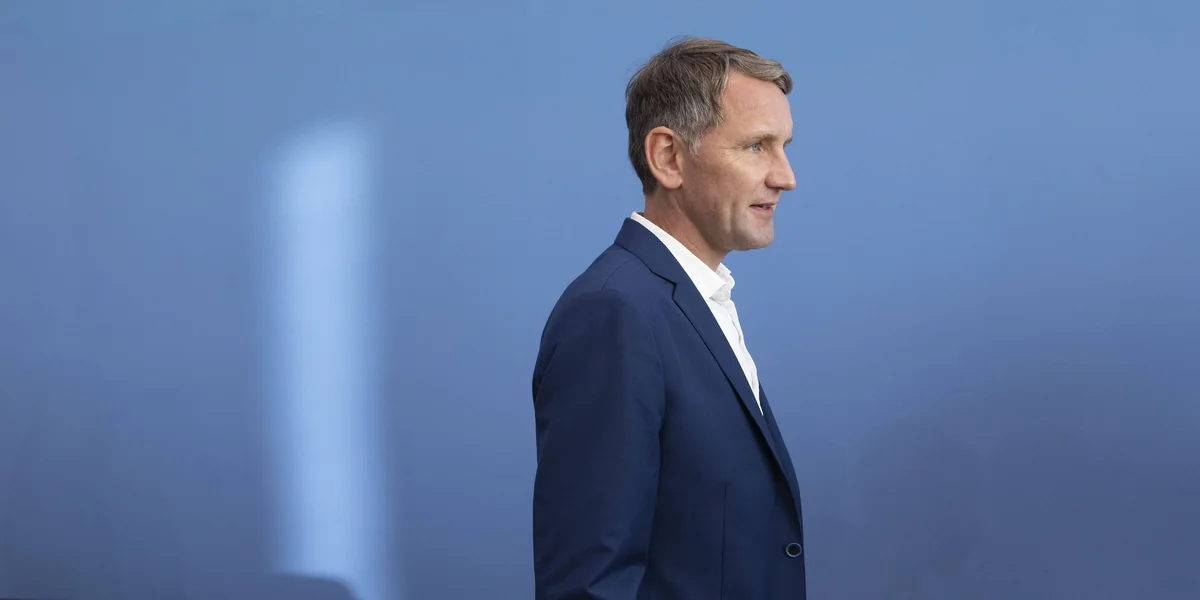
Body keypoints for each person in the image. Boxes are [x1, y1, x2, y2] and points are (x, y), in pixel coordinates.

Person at [530, 36, 805, 599]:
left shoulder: (688, 301)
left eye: (784, 146)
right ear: (668, 158)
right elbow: (589, 584)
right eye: (756, 146)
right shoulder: (614, 314)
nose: (785, 176)